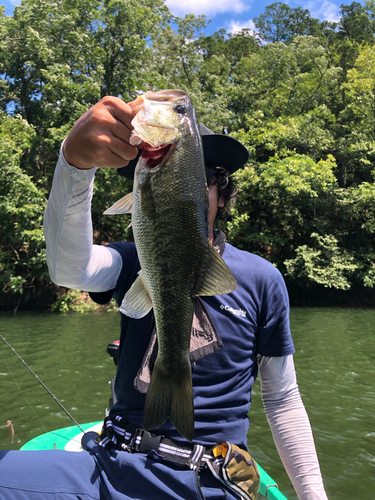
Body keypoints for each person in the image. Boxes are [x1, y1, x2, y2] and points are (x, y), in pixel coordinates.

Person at [0, 96, 329, 500]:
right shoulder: (134, 258)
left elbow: (282, 398)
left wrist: (314, 495)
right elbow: (69, 269)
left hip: (207, 479)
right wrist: (74, 162)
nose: (192, 180)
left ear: (222, 196)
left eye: (204, 176)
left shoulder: (262, 279)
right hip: (108, 465)